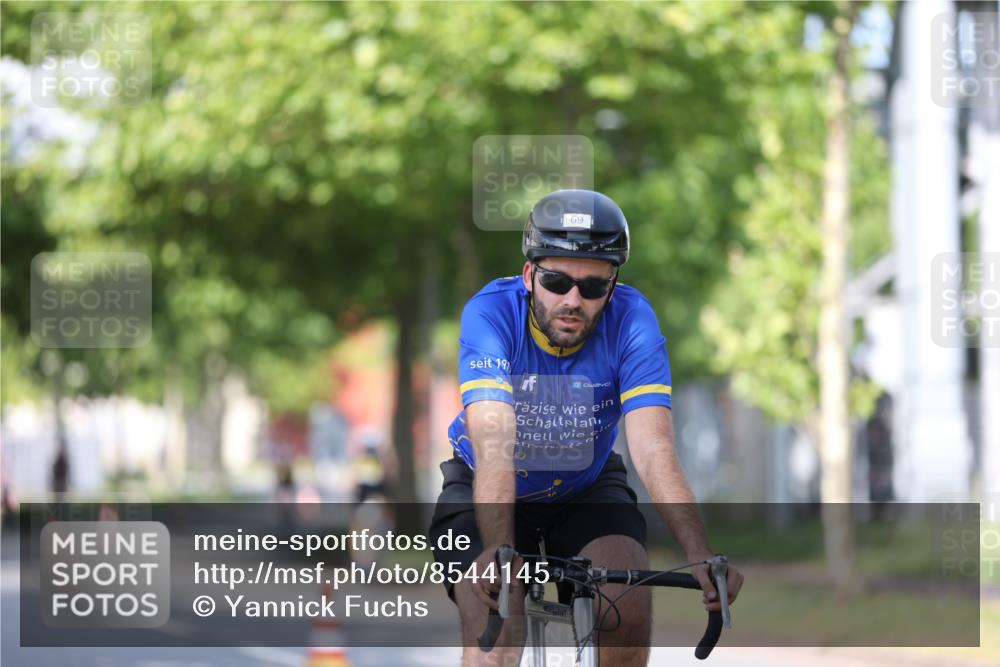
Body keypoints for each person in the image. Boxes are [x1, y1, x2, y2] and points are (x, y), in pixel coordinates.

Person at [429, 189, 744, 667]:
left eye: (593, 287)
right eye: (556, 281)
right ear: (529, 275)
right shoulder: (490, 314)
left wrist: (701, 553)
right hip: (484, 482)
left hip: (585, 484)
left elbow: (654, 449)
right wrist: (497, 547)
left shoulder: (633, 321)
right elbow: (494, 444)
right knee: (496, 627)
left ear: (612, 288)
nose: (572, 300)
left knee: (627, 606)